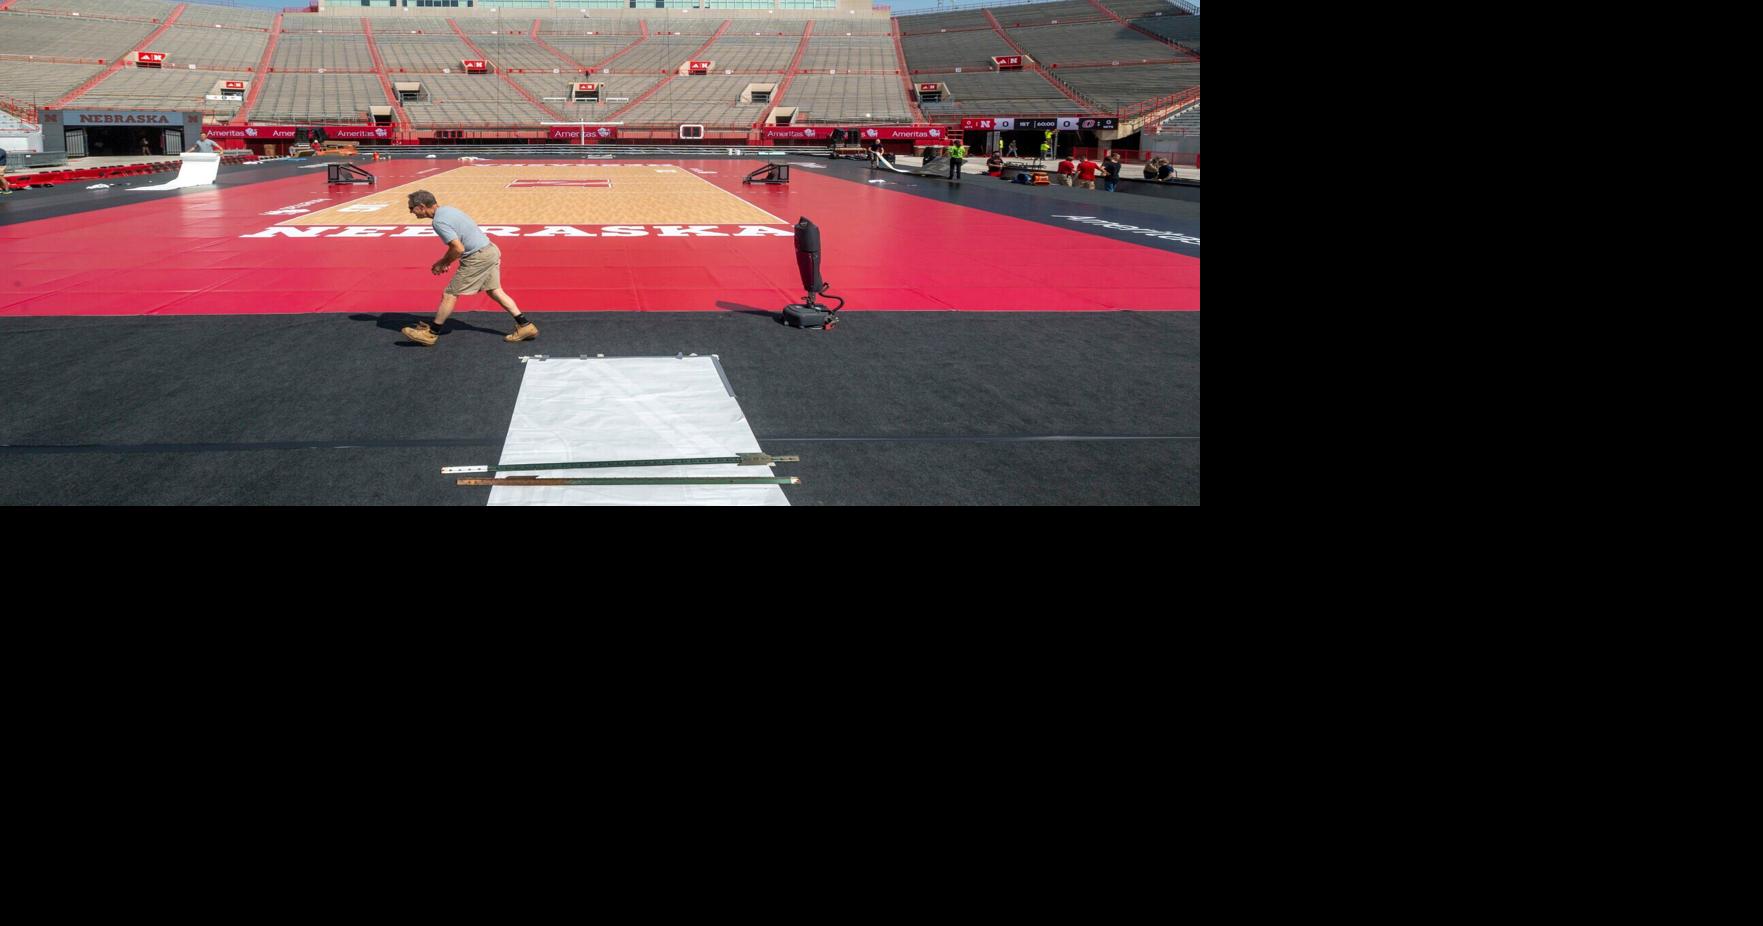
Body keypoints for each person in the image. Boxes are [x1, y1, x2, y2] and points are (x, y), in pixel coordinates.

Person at [399, 190, 537, 347]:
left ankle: (431, 334)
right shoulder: (448, 210)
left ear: (422, 206)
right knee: (495, 291)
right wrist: (447, 261)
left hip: (478, 257)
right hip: (490, 250)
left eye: (411, 208)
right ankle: (525, 326)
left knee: (450, 294)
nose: (410, 211)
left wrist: (442, 263)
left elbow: (458, 248)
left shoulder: (438, 222)